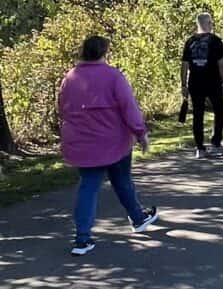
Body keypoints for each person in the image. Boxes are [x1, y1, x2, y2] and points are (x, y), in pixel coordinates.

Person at [58, 35, 158, 256]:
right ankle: (138, 218)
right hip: (114, 141)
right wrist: (141, 133)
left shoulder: (70, 78)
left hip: (84, 143)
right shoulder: (113, 77)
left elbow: (63, 109)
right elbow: (128, 108)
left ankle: (82, 239)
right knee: (122, 181)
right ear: (104, 52)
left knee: (88, 187)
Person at [181, 12, 223, 159]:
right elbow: (222, 65)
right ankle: (216, 143)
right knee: (219, 110)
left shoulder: (190, 42)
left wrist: (184, 84)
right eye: (211, 22)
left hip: (195, 82)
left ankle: (199, 148)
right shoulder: (215, 41)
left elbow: (184, 65)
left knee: (198, 114)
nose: (212, 25)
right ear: (208, 24)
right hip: (213, 81)